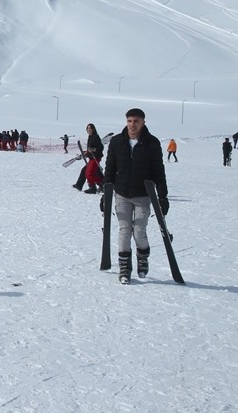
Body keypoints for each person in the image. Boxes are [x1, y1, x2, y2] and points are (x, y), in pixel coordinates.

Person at [102, 108, 168, 284]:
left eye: (136, 121)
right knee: (124, 231)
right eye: (130, 121)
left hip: (143, 195)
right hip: (121, 193)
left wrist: (162, 197)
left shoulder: (152, 143)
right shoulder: (117, 142)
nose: (132, 125)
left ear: (143, 122)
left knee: (139, 231)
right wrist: (105, 194)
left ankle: (142, 256)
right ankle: (124, 267)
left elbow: (159, 171)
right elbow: (109, 169)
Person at [72, 123, 103, 191]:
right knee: (86, 171)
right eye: (88, 128)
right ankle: (90, 186)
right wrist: (86, 152)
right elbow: (90, 148)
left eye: (90, 128)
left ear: (93, 129)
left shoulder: (95, 137)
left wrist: (92, 150)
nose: (89, 130)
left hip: (95, 158)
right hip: (91, 158)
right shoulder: (90, 137)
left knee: (89, 174)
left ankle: (101, 184)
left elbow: (100, 148)